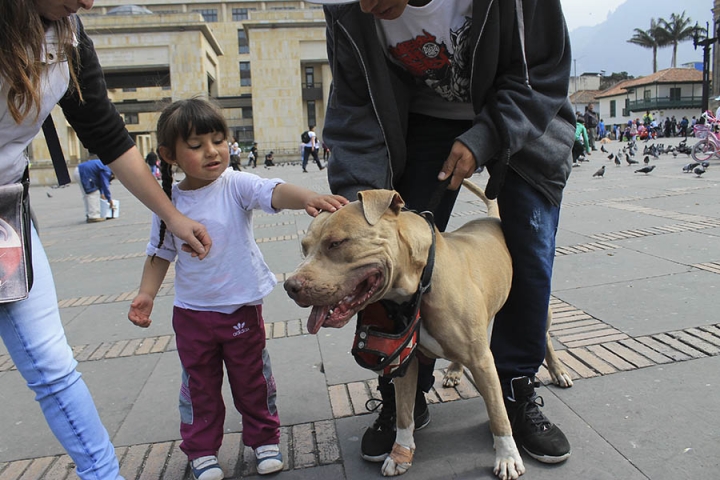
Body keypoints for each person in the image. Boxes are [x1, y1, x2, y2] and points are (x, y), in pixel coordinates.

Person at [316, 0, 574, 468]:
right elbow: (355, 108)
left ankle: (515, 387)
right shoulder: (347, 11)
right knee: (387, 258)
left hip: (520, 114)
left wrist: (486, 136)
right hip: (419, 125)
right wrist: (361, 207)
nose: (367, 6)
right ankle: (404, 393)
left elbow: (543, 70)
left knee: (530, 251)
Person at [0, 2, 212, 479]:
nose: (89, 4)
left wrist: (173, 217)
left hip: (5, 215)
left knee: (52, 365)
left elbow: (109, 135)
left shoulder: (69, 35)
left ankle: (105, 476)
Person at [127, 98, 347, 480]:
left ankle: (264, 440)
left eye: (218, 140)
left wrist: (308, 198)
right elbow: (159, 252)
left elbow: (272, 191)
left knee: (253, 379)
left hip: (241, 309)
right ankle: (201, 451)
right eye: (196, 146)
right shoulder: (167, 204)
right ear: (169, 154)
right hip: (192, 315)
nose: (212, 152)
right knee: (199, 387)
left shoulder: (235, 185)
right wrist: (146, 294)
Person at [73, 157, 115, 222]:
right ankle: (93, 216)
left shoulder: (104, 164)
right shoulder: (107, 170)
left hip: (78, 171)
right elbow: (105, 184)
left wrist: (102, 193)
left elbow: (100, 183)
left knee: (87, 195)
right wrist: (109, 199)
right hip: (85, 173)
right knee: (93, 193)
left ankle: (88, 213)